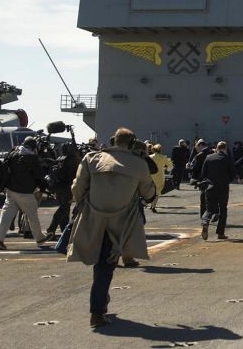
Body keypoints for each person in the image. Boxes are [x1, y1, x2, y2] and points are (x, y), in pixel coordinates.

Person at [68, 127, 157, 327]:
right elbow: (149, 193)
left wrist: (85, 206)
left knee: (100, 267)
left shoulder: (92, 158)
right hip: (121, 223)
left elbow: (77, 187)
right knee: (105, 268)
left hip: (92, 218)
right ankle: (97, 312)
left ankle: (100, 303)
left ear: (113, 140)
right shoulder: (139, 164)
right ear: (133, 143)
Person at [0, 136, 48, 250]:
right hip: (25, 192)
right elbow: (39, 175)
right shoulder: (32, 158)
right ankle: (40, 238)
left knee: (6, 216)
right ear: (33, 147)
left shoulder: (13, 153)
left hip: (11, 190)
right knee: (32, 215)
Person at [199, 142, 235, 241]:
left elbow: (203, 174)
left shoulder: (208, 157)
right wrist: (227, 180)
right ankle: (220, 233)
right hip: (223, 187)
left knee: (209, 208)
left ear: (217, 148)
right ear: (225, 149)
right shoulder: (227, 159)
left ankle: (205, 221)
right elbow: (233, 174)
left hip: (210, 186)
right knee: (223, 209)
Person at [45, 143, 82, 238]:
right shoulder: (73, 160)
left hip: (58, 188)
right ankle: (51, 229)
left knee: (64, 209)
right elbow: (76, 175)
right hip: (67, 188)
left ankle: (64, 231)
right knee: (64, 209)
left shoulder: (60, 159)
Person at [188, 139, 211, 217]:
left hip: (203, 180)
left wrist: (189, 167)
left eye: (196, 147)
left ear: (200, 145)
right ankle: (212, 213)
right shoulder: (212, 152)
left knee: (203, 199)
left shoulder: (200, 155)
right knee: (212, 198)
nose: (196, 149)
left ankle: (203, 216)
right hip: (213, 179)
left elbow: (194, 168)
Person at [148, 144, 173, 211]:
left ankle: (148, 203)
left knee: (150, 191)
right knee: (157, 192)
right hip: (159, 177)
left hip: (150, 176)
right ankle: (153, 206)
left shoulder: (149, 157)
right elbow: (170, 166)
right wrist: (167, 170)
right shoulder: (163, 157)